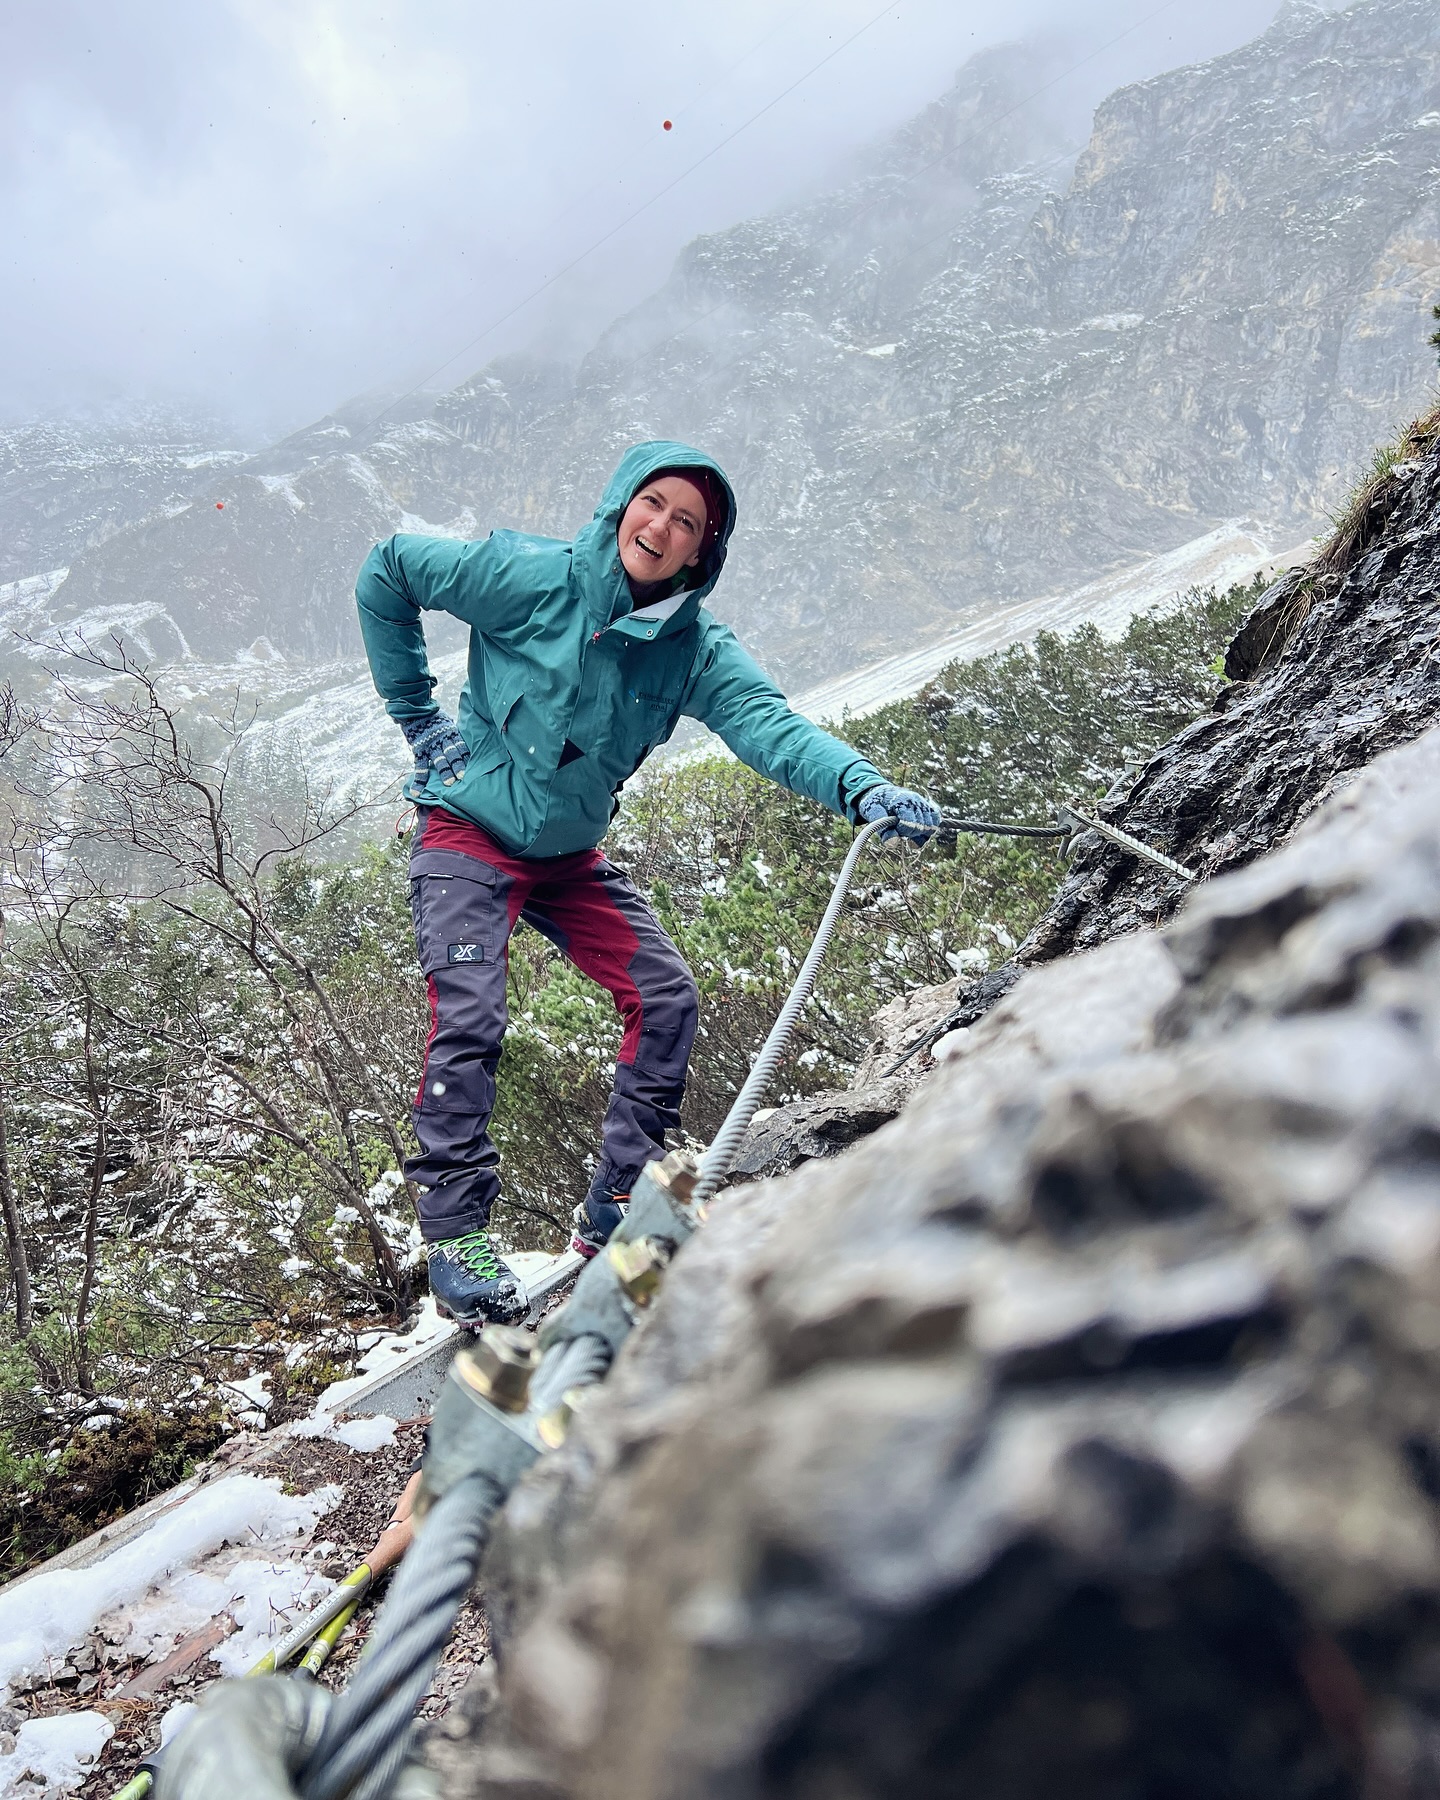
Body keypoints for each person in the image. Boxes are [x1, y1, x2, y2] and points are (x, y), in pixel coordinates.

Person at [356, 440, 942, 1324]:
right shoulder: (530, 579)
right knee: (470, 1014)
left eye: (688, 523)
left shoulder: (693, 650)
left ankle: (618, 1205)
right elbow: (390, 568)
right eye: (653, 503)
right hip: (466, 833)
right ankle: (455, 1240)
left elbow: (769, 725)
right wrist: (417, 717)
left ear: (704, 551)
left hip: (567, 856)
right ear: (621, 504)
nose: (662, 527)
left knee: (665, 997)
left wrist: (863, 788)